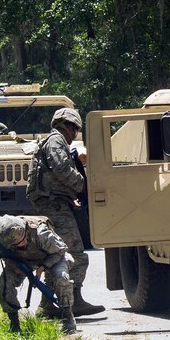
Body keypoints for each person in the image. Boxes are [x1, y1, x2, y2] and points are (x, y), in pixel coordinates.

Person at [26, 107, 105, 317]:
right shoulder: (56, 141)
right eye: (76, 131)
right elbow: (61, 169)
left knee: (57, 254)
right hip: (54, 206)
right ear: (70, 127)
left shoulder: (53, 141)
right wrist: (84, 185)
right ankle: (73, 300)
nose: (74, 136)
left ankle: (47, 306)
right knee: (75, 254)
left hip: (56, 203)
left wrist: (71, 196)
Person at [0, 215, 77, 334]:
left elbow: (60, 251)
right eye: (15, 246)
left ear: (26, 233)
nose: (19, 246)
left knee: (61, 278)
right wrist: (13, 265)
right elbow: (4, 254)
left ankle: (68, 317)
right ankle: (14, 324)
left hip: (51, 256)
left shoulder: (41, 234)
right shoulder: (3, 238)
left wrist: (44, 266)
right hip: (22, 261)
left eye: (21, 243)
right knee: (4, 284)